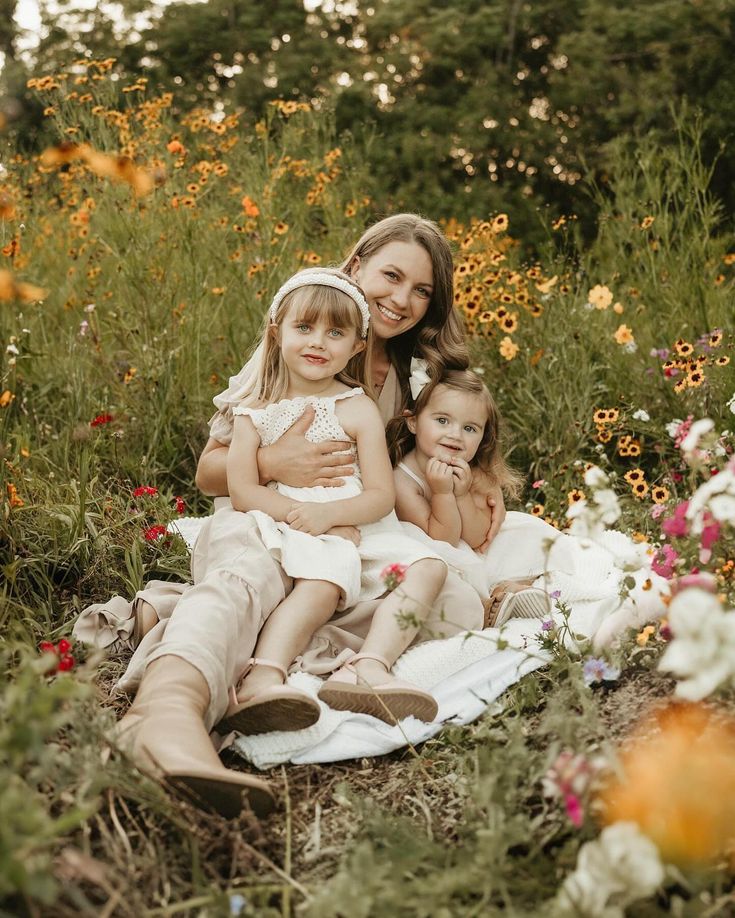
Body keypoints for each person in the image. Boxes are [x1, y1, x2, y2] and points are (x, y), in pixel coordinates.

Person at [88, 214, 491, 821]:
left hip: (348, 526)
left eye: (422, 291)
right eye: (391, 276)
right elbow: (209, 472)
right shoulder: (293, 341)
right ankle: (165, 714)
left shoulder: (412, 378)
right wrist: (280, 462)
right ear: (356, 267)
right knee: (248, 577)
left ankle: (185, 615)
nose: (402, 299)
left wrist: (471, 497)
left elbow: (426, 458)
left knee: (433, 593)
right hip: (266, 513)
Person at [219, 267, 446, 736]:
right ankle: (264, 675)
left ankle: (370, 667)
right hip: (291, 519)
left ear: (357, 346)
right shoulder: (254, 409)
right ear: (276, 332)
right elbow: (242, 490)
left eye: (335, 332)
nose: (318, 342)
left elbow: (381, 496)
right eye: (304, 328)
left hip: (358, 522)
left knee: (430, 567)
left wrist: (334, 515)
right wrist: (308, 520)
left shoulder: (357, 406)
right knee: (322, 583)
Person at [388, 366, 549, 627]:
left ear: (484, 435)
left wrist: (462, 495)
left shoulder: (466, 469)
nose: (455, 435)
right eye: (442, 421)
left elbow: (477, 538)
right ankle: (489, 603)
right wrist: (442, 492)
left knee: (527, 536)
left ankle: (510, 586)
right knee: (456, 574)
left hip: (467, 547)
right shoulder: (402, 480)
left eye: (470, 428)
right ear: (413, 421)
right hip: (434, 550)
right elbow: (445, 540)